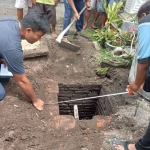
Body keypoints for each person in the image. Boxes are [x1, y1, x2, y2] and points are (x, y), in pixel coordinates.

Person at [110, 1, 150, 150]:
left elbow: (144, 61)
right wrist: (142, 83)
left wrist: (135, 84)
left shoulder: (146, 22)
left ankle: (140, 148)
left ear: (144, 15)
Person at [0, 11, 50, 110]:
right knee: (0, 94)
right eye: (39, 35)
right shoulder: (12, 48)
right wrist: (35, 100)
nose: (39, 39)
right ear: (28, 30)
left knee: (6, 77)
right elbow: (22, 81)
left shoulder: (12, 21)